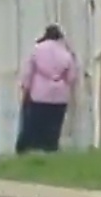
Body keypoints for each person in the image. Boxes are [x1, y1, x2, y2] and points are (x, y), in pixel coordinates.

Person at [16, 24, 77, 154]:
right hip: (60, 97)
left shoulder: (37, 50)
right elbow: (71, 77)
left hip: (39, 95)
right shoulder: (66, 52)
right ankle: (51, 149)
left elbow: (28, 73)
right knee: (54, 127)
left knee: (34, 125)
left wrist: (25, 89)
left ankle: (31, 150)